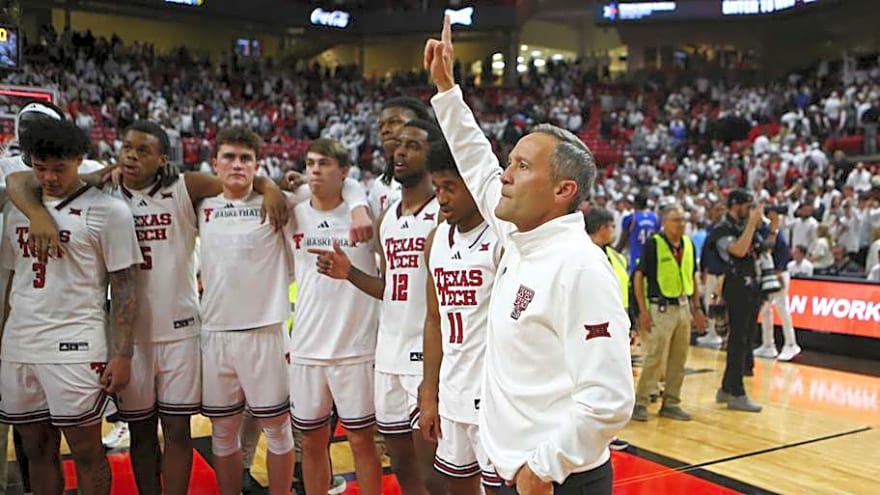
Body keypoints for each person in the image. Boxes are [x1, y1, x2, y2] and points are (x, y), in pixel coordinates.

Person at [7, 120, 291, 495]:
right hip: (131, 338)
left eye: (143, 150)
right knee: (140, 433)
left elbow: (236, 179)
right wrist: (40, 213)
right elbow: (23, 182)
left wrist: (270, 186)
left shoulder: (184, 186)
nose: (131, 155)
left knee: (177, 431)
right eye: (126, 147)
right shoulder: (102, 188)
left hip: (181, 331)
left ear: (162, 158)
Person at [426, 16, 633, 495]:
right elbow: (478, 164)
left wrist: (542, 469)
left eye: (521, 166)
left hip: (555, 480)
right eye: (510, 163)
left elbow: (609, 400)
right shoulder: (522, 237)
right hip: (513, 472)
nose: (505, 175)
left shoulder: (579, 266)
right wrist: (446, 90)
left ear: (563, 190)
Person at [0, 118, 142, 494]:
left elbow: (125, 287)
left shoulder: (109, 211)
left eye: (58, 168)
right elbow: (14, 280)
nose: (48, 177)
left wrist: (123, 354)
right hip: (20, 345)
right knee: (36, 448)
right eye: (40, 168)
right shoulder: (19, 209)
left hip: (76, 346)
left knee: (86, 450)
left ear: (80, 160)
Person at [311, 119, 446, 495]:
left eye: (413, 146)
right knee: (401, 464)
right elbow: (390, 287)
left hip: (429, 357)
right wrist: (350, 273)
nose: (399, 152)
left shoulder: (444, 212)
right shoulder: (387, 219)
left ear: (433, 153)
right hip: (388, 353)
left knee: (433, 469)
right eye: (397, 145)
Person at [197, 127, 295, 495]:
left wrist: (270, 188)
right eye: (230, 157)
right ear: (215, 164)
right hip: (216, 333)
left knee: (277, 429)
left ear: (257, 165)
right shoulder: (202, 206)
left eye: (246, 159)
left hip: (265, 332)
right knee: (222, 432)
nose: (237, 165)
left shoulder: (277, 204)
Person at [289, 139, 383, 495]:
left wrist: (357, 201)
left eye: (324, 163)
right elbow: (273, 188)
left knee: (362, 443)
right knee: (312, 443)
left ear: (344, 172)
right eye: (310, 163)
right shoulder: (293, 213)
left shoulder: (365, 213)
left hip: (355, 347)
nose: (315, 169)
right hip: (307, 347)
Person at [419, 139, 502, 495]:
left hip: (495, 391)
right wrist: (429, 392)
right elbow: (434, 319)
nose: (441, 197)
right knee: (456, 483)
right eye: (437, 187)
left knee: (503, 485)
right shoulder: (435, 240)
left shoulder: (501, 240)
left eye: (450, 187)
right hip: (453, 385)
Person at [631, 204, 706, 422]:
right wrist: (643, 311)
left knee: (679, 358)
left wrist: (697, 309)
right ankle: (641, 402)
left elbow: (693, 277)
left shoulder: (689, 245)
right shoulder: (654, 244)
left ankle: (671, 402)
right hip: (660, 308)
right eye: (676, 219)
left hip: (683, 307)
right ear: (664, 222)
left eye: (684, 219)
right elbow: (638, 277)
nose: (681, 224)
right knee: (655, 357)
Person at [705, 189, 765, 412]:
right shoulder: (722, 229)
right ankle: (736, 392)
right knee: (737, 339)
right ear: (735, 205)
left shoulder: (743, 227)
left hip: (751, 285)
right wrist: (751, 225)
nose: (750, 210)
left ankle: (726, 388)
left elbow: (762, 247)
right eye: (746, 206)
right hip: (734, 285)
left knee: (746, 338)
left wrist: (772, 226)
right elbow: (739, 250)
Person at [584, 207, 631, 451]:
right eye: (612, 226)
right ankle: (590, 434)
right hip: (590, 325)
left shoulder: (614, 256)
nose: (614, 230)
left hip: (615, 321)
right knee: (591, 380)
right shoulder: (580, 254)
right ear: (602, 227)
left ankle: (607, 434)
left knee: (610, 380)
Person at [369, 97, 433, 215]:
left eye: (394, 122)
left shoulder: (443, 178)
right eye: (381, 126)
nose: (385, 130)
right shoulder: (380, 185)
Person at [754, 214, 800, 362]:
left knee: (782, 307)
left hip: (779, 273)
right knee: (766, 310)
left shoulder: (772, 230)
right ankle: (768, 345)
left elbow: (785, 251)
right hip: (767, 273)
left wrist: (779, 270)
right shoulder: (757, 232)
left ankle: (791, 344)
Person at [697, 201, 728, 348]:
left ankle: (724, 334)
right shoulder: (710, 229)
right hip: (711, 271)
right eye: (716, 209)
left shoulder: (728, 228)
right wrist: (703, 269)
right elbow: (705, 251)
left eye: (721, 209)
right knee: (709, 302)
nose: (719, 212)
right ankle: (712, 333)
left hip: (724, 272)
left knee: (723, 304)